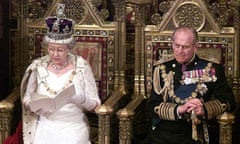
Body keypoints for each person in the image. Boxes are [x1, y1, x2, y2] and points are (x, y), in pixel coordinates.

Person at [20, 3, 101, 144]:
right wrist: (34, 105)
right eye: (51, 49)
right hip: (45, 126)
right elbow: (26, 98)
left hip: (73, 127)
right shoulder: (38, 67)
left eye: (60, 50)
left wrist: (81, 98)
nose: (55, 54)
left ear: (69, 48)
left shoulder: (81, 67)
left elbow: (95, 104)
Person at [142, 26, 236, 144]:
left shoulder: (211, 68)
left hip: (195, 129)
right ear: (172, 44)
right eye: (177, 45)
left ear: (195, 47)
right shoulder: (161, 68)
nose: (180, 51)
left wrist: (204, 109)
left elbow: (229, 102)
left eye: (185, 47)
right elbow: (152, 106)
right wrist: (180, 109)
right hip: (164, 130)